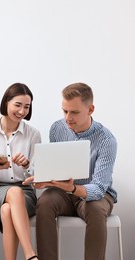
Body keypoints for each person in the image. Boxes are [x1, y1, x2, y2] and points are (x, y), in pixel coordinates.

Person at [24, 83, 117, 260]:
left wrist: (73, 188)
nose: (68, 118)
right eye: (64, 111)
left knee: (95, 208)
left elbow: (98, 189)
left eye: (74, 112)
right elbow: (56, 166)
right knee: (45, 202)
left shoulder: (106, 140)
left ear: (90, 109)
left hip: (96, 195)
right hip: (64, 193)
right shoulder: (57, 128)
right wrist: (45, 177)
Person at [0, 83, 40, 260]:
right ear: (6, 102)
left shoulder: (33, 134)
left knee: (7, 209)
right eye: (18, 105)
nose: (22, 111)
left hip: (25, 191)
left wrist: (27, 166)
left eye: (26, 107)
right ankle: (30, 255)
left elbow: (37, 175)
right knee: (12, 194)